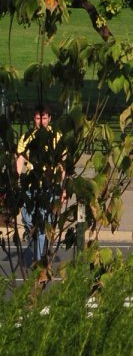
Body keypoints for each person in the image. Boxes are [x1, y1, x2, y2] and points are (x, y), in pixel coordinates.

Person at [16, 108, 59, 267]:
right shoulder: (27, 137)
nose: (41, 121)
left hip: (48, 186)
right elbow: (20, 159)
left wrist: (62, 187)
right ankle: (35, 237)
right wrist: (16, 181)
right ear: (34, 119)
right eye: (38, 118)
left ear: (50, 118)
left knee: (42, 226)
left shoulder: (56, 137)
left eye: (45, 118)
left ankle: (39, 260)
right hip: (31, 185)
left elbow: (62, 162)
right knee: (27, 218)